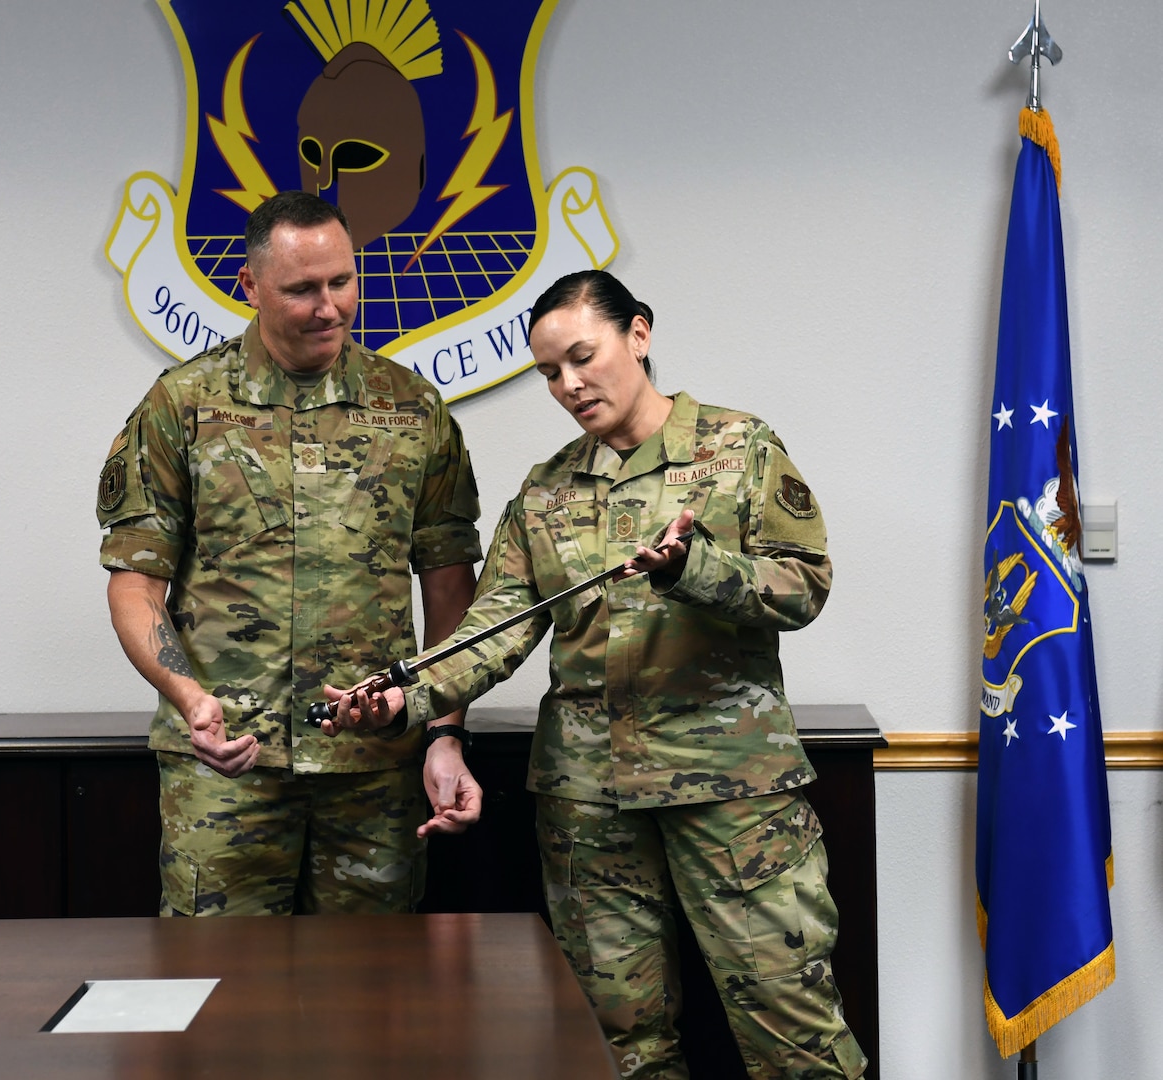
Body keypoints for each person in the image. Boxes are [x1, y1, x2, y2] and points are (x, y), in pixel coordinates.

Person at [323, 270, 868, 1078]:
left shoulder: (737, 449)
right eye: (549, 372)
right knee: (618, 1048)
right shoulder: (545, 492)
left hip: (729, 797)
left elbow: (804, 585)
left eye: (583, 357)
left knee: (796, 1040)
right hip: (589, 805)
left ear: (638, 335)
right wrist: (404, 698)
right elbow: (490, 634)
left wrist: (697, 569)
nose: (569, 385)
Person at [97, 191, 484, 918]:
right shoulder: (182, 407)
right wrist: (189, 700)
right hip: (226, 769)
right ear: (250, 287)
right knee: (214, 999)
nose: (328, 306)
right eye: (302, 289)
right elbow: (136, 586)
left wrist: (444, 731)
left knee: (376, 1001)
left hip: (374, 768)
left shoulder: (411, 409)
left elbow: (450, 592)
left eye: (341, 281)